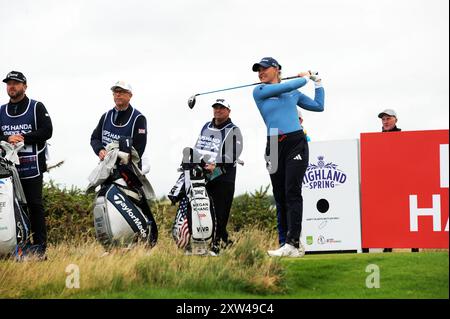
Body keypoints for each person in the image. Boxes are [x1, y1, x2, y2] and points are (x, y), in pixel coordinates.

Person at [251, 57, 324, 257]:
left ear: (276, 69)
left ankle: (292, 243)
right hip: (273, 145)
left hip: (295, 142)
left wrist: (317, 83)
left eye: (264, 69)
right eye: (258, 70)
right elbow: (293, 84)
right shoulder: (260, 91)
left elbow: (319, 106)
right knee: (279, 194)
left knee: (292, 191)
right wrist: (305, 77)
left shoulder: (292, 92)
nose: (260, 73)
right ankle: (285, 242)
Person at [0, 71, 53, 260]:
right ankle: (14, 247)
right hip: (7, 171)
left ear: (25, 86)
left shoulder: (36, 107)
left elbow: (47, 130)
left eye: (16, 83)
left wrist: (23, 138)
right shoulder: (1, 110)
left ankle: (39, 248)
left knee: (34, 206)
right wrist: (7, 138)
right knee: (9, 208)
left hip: (32, 168)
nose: (11, 86)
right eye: (8, 83)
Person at [193, 98, 243, 254]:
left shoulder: (234, 130)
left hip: (224, 177)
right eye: (215, 107)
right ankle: (223, 242)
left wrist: (217, 163)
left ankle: (217, 244)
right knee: (205, 211)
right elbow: (198, 146)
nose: (218, 110)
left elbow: (234, 153)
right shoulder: (205, 127)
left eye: (221, 108)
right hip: (204, 176)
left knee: (221, 212)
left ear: (228, 111)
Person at [90, 81, 147, 166]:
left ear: (130, 95)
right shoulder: (106, 116)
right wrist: (100, 150)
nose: (118, 94)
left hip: (128, 171)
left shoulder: (138, 118)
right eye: (115, 92)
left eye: (122, 92)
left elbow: (138, 149)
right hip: (106, 167)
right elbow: (95, 138)